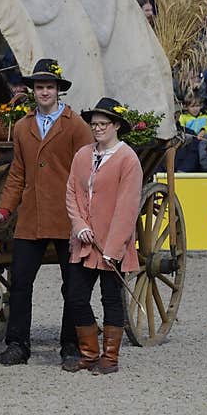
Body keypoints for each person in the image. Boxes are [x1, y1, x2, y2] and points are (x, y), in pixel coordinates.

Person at [0, 59, 95, 367]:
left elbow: (88, 173)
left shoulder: (76, 126)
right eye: (39, 87)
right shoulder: (22, 127)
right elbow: (17, 173)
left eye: (49, 87)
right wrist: (4, 209)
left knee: (72, 285)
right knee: (20, 283)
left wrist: (86, 216)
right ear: (32, 91)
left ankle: (71, 345)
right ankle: (18, 344)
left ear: (59, 90)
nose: (44, 92)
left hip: (68, 218)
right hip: (31, 218)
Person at [64, 97, 142, 374]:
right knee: (75, 296)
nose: (97, 129)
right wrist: (79, 225)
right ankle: (88, 354)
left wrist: (112, 248)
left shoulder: (128, 159)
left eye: (103, 124)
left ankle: (109, 358)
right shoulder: (82, 155)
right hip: (84, 241)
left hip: (112, 245)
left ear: (116, 125)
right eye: (94, 124)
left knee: (111, 298)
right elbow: (72, 191)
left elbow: (127, 207)